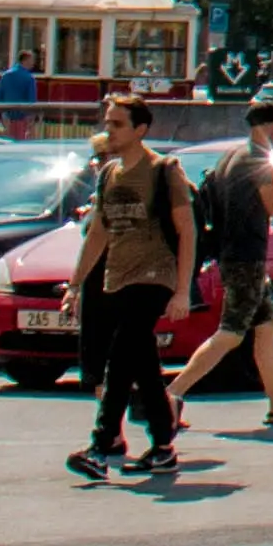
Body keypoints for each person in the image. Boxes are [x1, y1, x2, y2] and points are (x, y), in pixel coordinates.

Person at [69, 92, 194, 480]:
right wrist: (75, 285)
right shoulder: (109, 174)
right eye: (108, 123)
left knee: (120, 357)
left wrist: (182, 290)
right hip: (118, 278)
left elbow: (186, 230)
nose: (110, 130)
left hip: (155, 276)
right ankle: (162, 446)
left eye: (118, 124)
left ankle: (101, 444)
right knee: (143, 363)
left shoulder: (164, 169)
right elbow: (99, 234)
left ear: (140, 129)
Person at [169, 105, 273, 433]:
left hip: (232, 254)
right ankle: (170, 395)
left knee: (267, 327)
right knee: (231, 333)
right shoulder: (259, 161)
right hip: (246, 257)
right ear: (267, 126)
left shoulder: (230, 157)